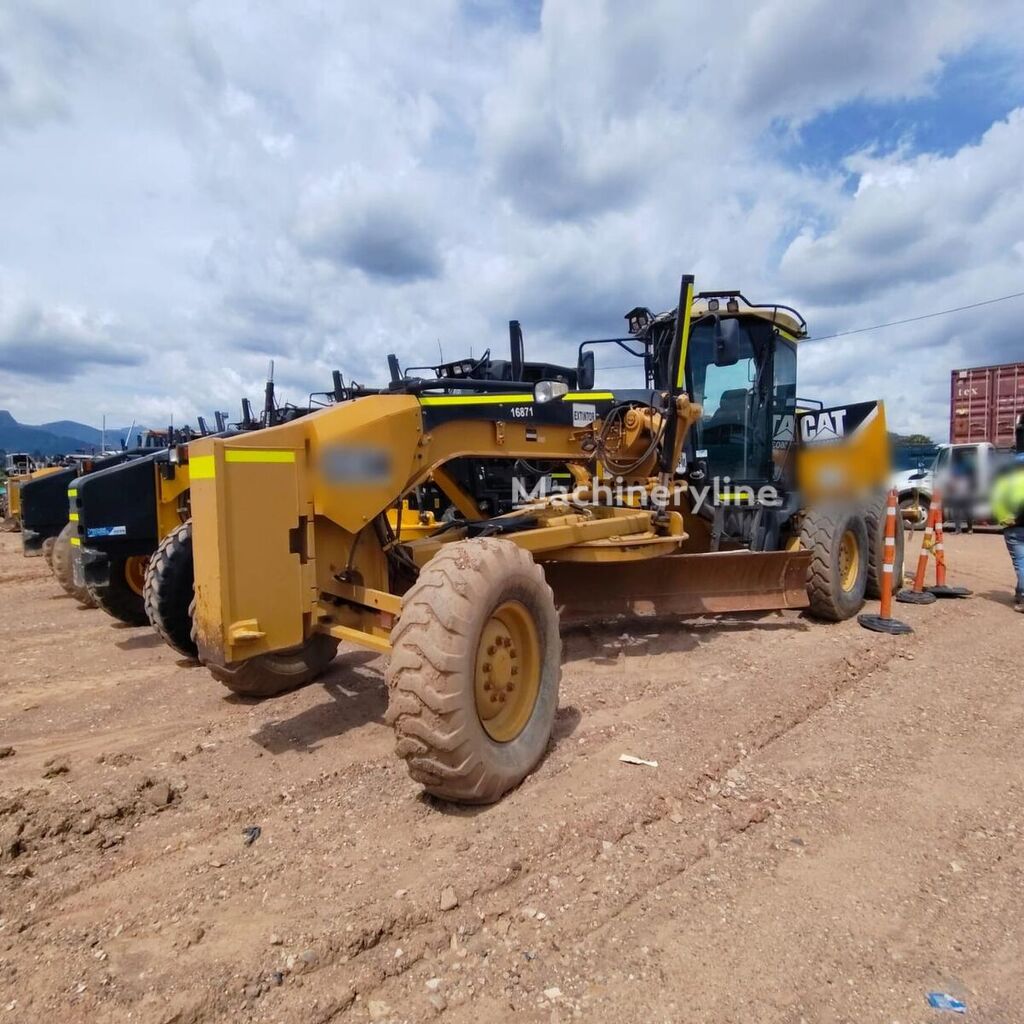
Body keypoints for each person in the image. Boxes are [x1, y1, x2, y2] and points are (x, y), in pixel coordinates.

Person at [991, 414, 1024, 611]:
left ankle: (1022, 596)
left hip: (1014, 525)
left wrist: (1005, 519)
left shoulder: (1007, 468)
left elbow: (997, 498)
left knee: (1021, 560)